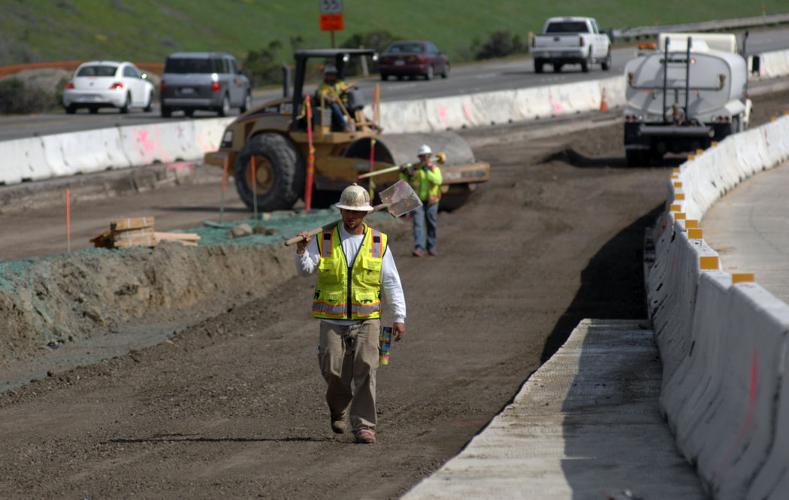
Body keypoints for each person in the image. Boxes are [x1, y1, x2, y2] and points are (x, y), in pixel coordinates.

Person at [295, 184, 406, 444]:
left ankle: (364, 425)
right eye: (347, 211)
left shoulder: (378, 242)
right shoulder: (324, 239)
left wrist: (399, 316)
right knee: (332, 369)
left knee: (366, 368)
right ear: (340, 211)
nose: (350, 216)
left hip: (368, 317)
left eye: (356, 212)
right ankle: (339, 407)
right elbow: (305, 270)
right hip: (332, 319)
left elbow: (391, 281)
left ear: (366, 213)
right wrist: (301, 251)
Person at [400, 144, 443, 257]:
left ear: (430, 156)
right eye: (422, 156)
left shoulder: (434, 169)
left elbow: (438, 181)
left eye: (427, 156)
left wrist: (428, 171)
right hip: (418, 201)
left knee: (431, 223)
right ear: (419, 157)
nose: (424, 158)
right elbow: (404, 183)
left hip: (432, 201)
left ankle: (431, 247)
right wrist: (403, 173)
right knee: (418, 224)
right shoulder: (415, 169)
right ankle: (419, 247)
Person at [316, 64, 352, 132]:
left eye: (333, 74)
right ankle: (344, 126)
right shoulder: (323, 86)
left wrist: (349, 89)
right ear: (326, 75)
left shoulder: (339, 82)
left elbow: (345, 87)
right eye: (330, 74)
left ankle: (359, 123)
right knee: (335, 106)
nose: (332, 76)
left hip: (342, 102)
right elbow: (322, 94)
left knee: (354, 102)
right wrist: (329, 98)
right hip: (330, 105)